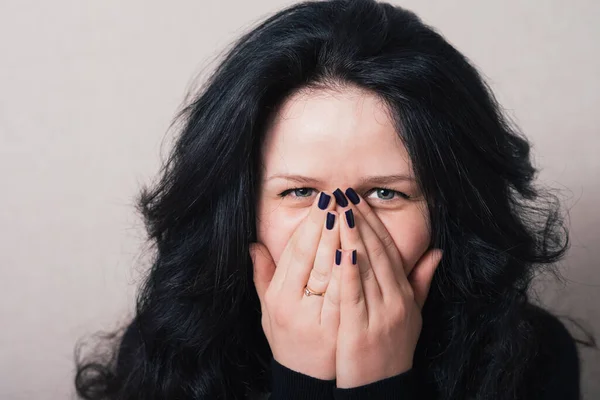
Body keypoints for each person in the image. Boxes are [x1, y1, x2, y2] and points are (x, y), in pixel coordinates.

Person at [75, 0, 595, 399]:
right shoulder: (167, 350)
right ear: (241, 208)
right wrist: (300, 377)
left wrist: (380, 381)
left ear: (448, 208)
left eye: (386, 193)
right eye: (301, 192)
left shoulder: (534, 357)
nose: (340, 231)